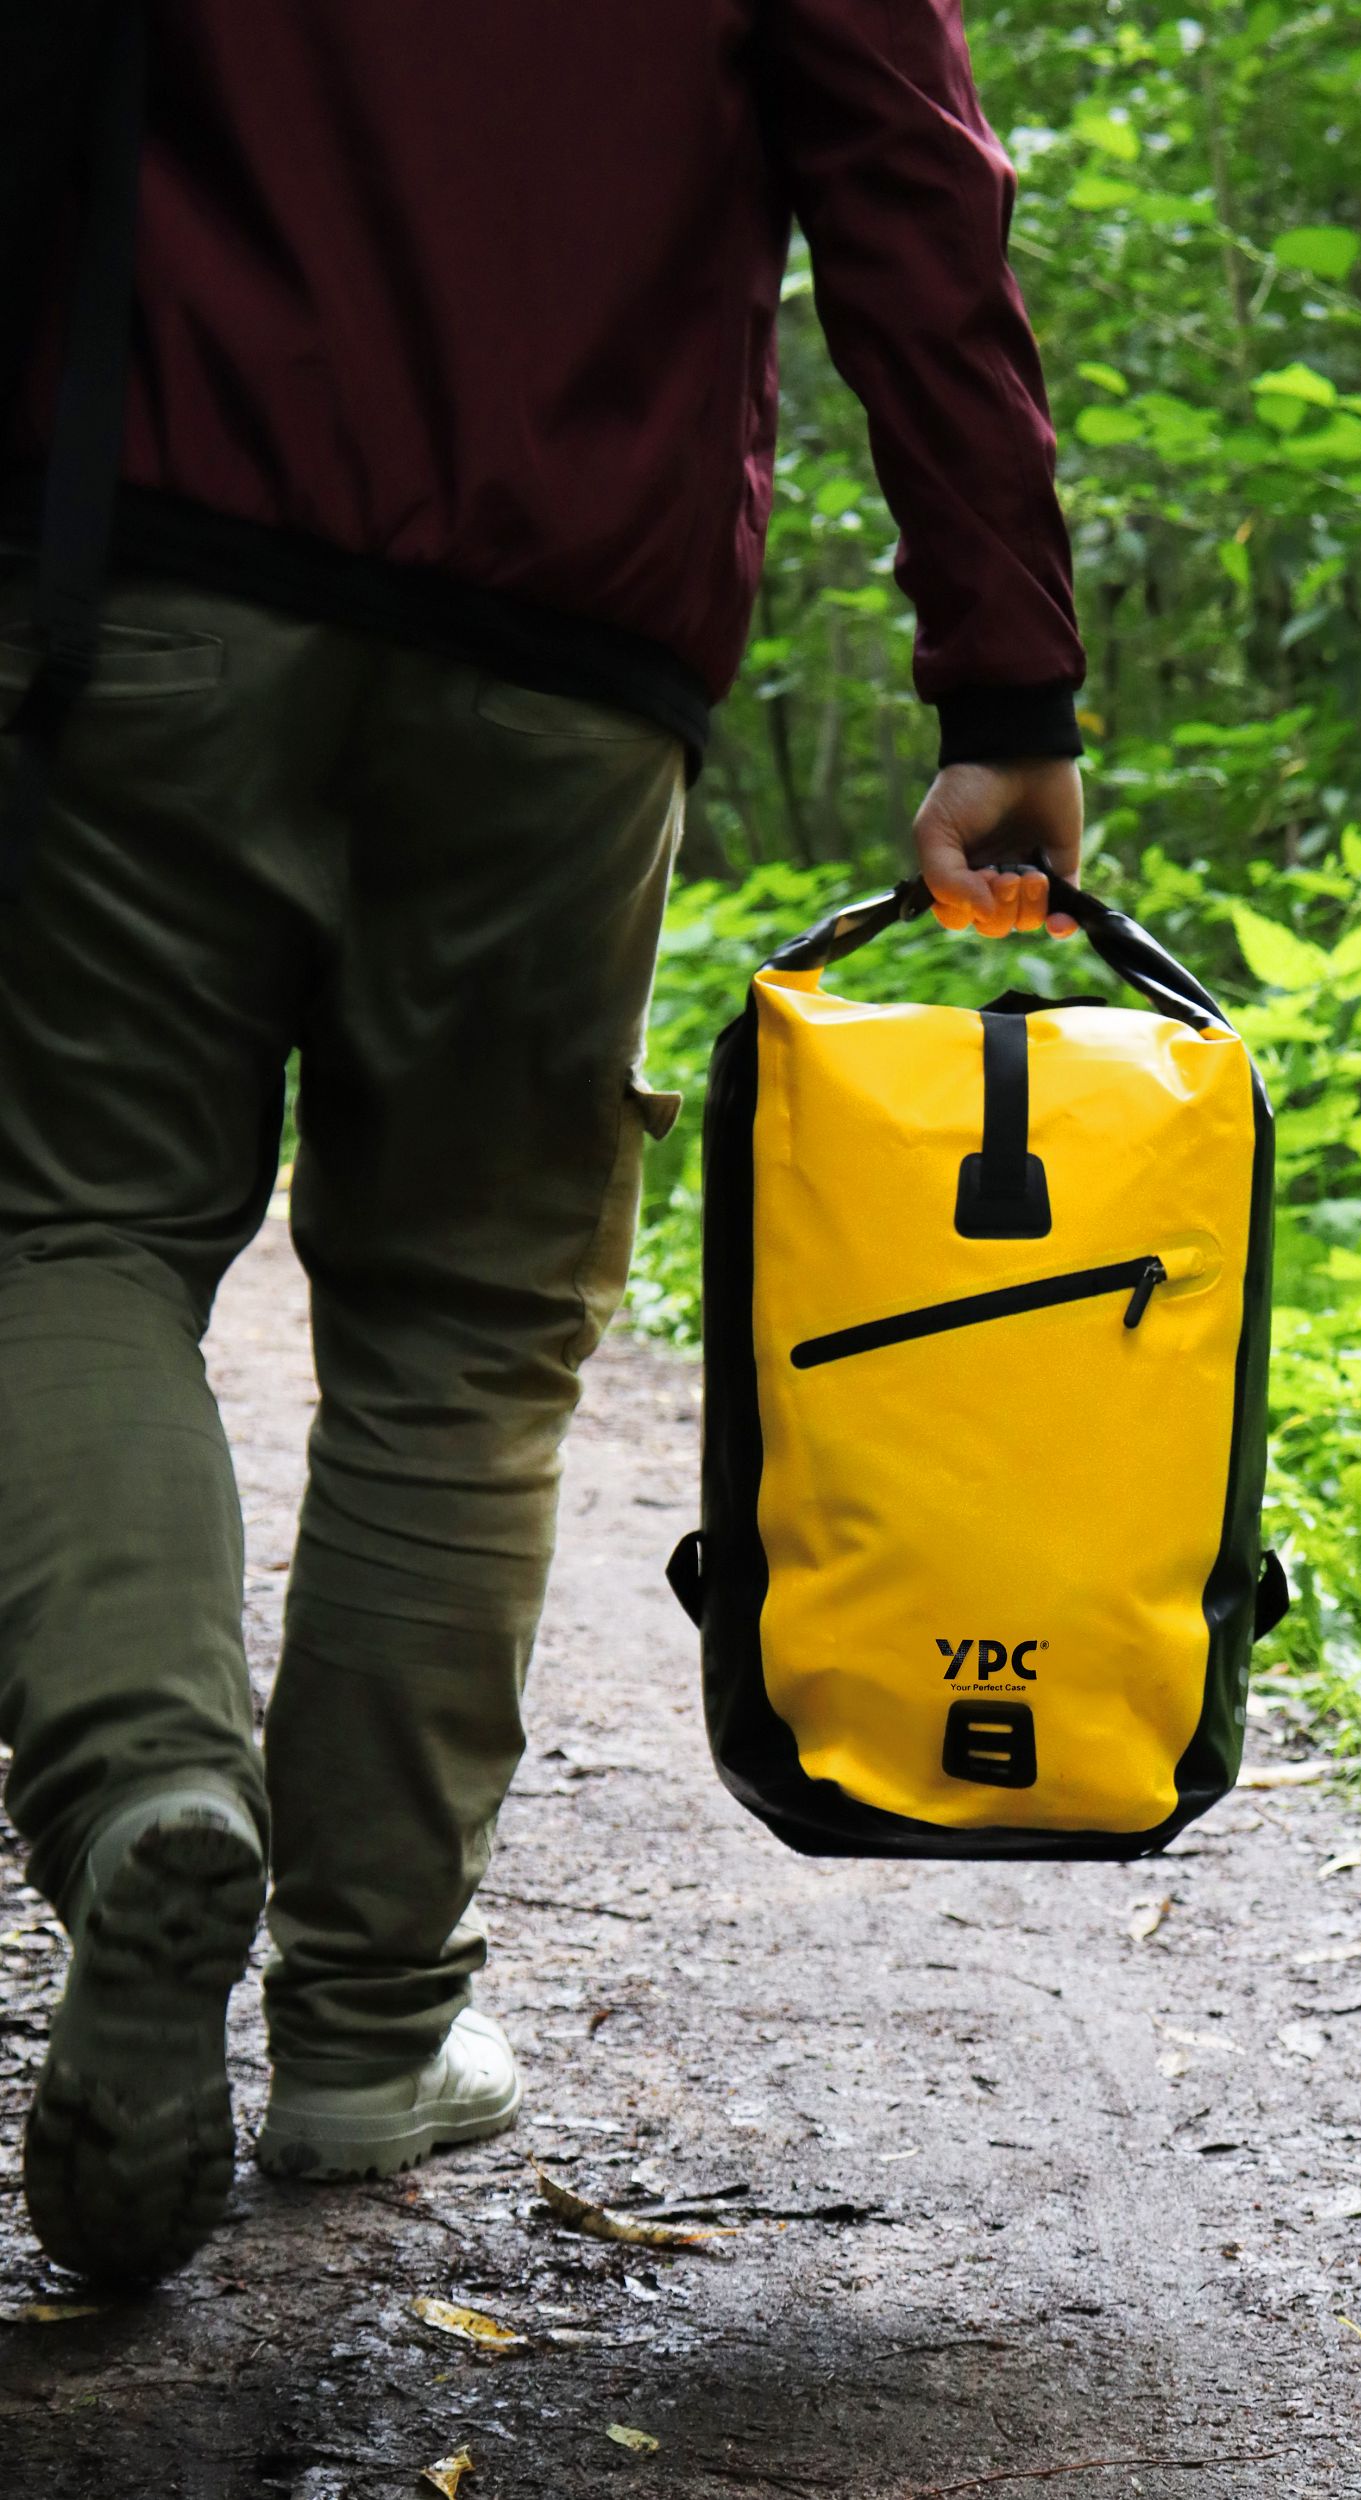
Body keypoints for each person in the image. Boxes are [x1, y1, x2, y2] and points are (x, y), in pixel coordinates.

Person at [0, 2, 1085, 2284]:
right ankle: (365, 2034)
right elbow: (912, 186)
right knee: (466, 1324)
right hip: (567, 654)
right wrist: (1006, 687)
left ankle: (143, 1786)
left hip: (151, 565)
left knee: (70, 1231)